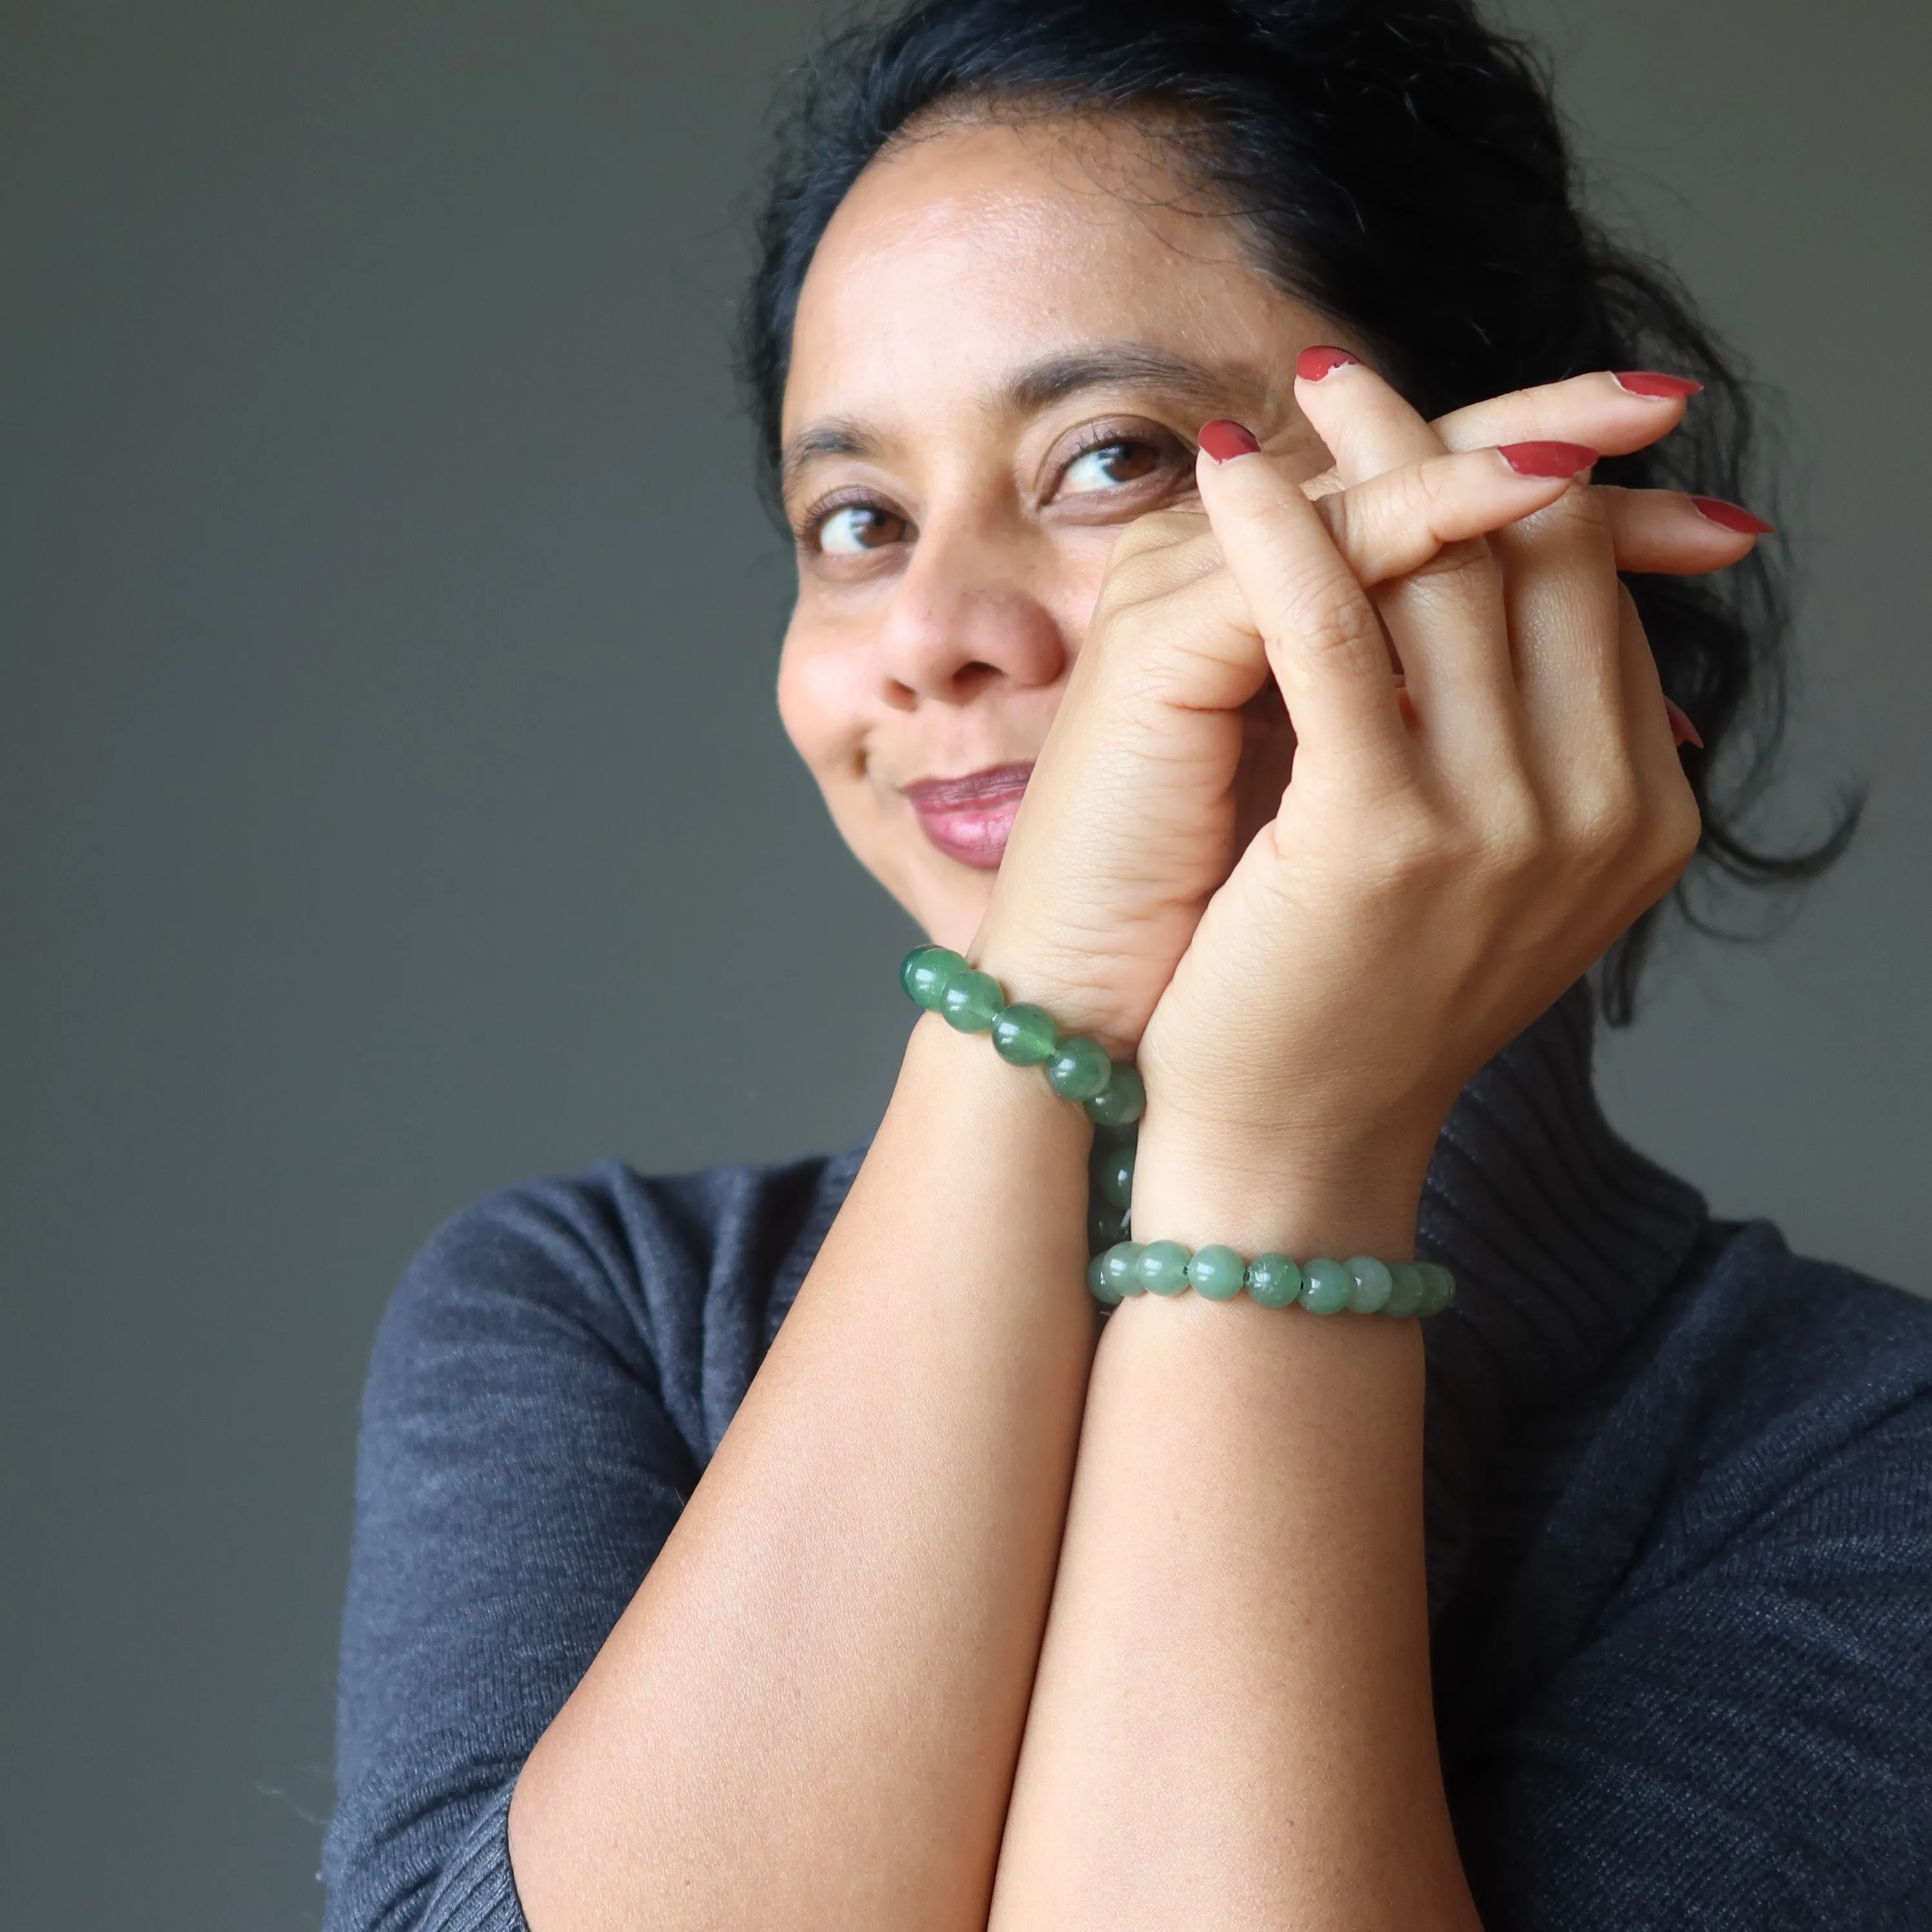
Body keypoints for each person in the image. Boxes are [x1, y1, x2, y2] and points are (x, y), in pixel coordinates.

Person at [321, 4, 1932, 1928]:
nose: (927, 633)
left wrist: (1282, 1155)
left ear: (1507, 529)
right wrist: (1049, 1016)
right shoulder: (609, 1316)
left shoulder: (1860, 1467)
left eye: (1109, 460)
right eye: (856, 520)